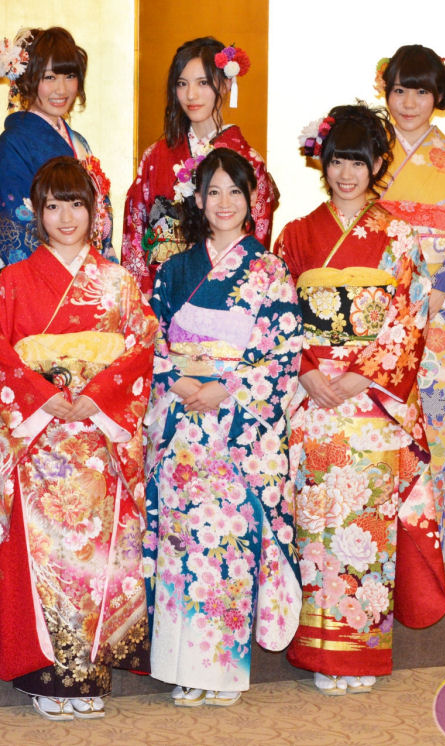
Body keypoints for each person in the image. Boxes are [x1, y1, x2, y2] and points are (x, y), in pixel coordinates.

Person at [275, 103, 445, 696]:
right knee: (314, 524)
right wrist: (305, 370)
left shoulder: (398, 235)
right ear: (321, 163)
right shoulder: (296, 234)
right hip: (312, 399)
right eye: (336, 161)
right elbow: (277, 316)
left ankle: (361, 651)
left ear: (377, 163)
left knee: (365, 525)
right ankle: (318, 649)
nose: (346, 174)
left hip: (372, 401)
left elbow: (409, 316)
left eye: (357, 161)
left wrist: (362, 376)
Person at [0, 156, 156, 720]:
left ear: (94, 210)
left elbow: (140, 349)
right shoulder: (11, 283)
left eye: (76, 204)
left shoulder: (119, 284)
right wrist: (41, 397)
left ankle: (88, 672)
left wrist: (95, 396)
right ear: (37, 213)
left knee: (94, 559)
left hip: (97, 441)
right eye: (53, 206)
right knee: (46, 555)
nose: (66, 217)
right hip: (40, 440)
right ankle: (45, 675)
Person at [144, 148, 302, 707]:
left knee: (227, 544)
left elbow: (282, 353)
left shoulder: (271, 272)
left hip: (237, 428)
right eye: (213, 192)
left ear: (252, 199)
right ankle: (180, 666)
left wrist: (226, 387)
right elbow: (151, 340)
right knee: (181, 543)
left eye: (235, 191)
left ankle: (221, 669)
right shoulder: (173, 269)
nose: (225, 202)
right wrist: (178, 381)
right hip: (183, 423)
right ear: (198, 199)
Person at [376, 45, 445, 556]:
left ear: (437, 96)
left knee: (435, 429)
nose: (408, 103)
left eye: (420, 92)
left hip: (440, 315)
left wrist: (438, 296)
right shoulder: (372, 153)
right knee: (380, 427)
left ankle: (429, 549)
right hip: (379, 315)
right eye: (400, 90)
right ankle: (375, 543)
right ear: (386, 91)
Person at [122, 37, 279, 296]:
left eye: (203, 83)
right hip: (162, 292)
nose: (191, 95)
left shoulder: (249, 161)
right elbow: (135, 230)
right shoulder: (155, 157)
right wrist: (144, 295)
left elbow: (256, 238)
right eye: (181, 84)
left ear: (226, 84)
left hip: (224, 294)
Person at [0, 27, 113, 283]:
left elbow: (98, 218)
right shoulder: (14, 144)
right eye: (49, 77)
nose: (61, 89)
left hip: (89, 276)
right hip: (43, 282)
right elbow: (16, 226)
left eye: (70, 76)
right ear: (27, 80)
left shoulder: (78, 142)